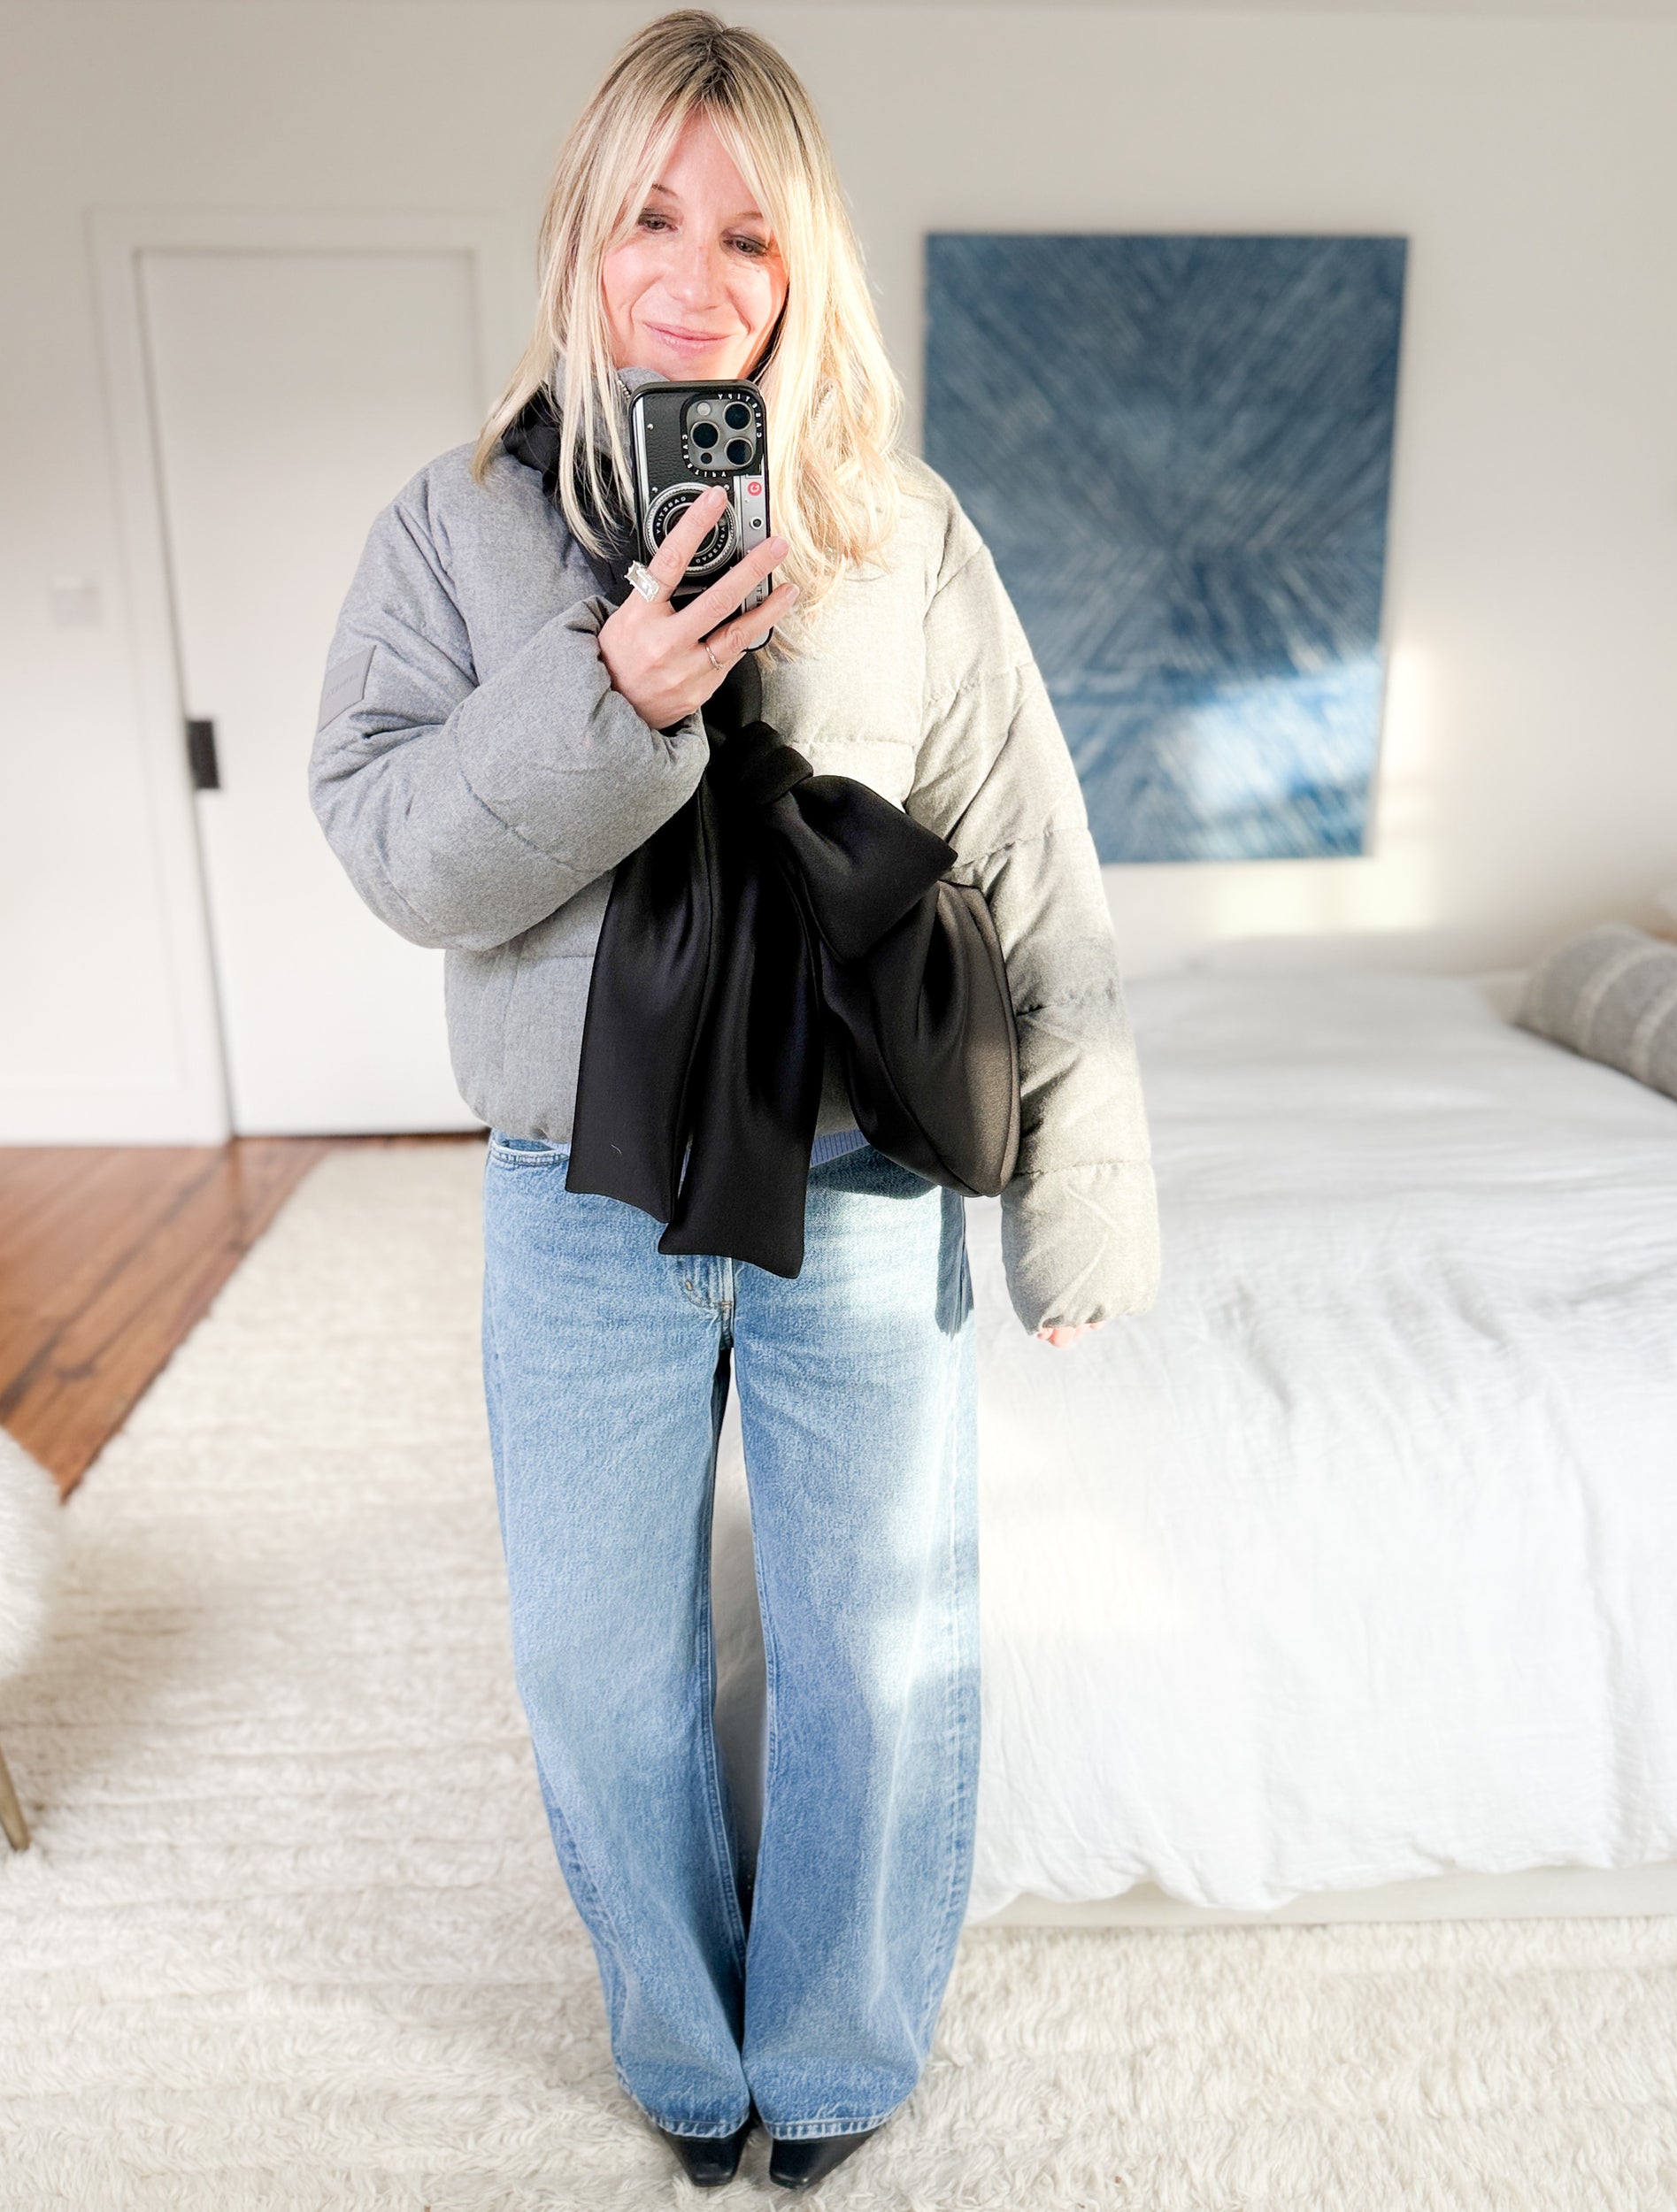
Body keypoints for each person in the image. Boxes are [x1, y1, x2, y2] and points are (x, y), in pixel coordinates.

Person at [310, 8, 1158, 2192]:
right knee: (601, 1676)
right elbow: (400, 853)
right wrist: (606, 700)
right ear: (585, 236)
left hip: (860, 1177)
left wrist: (1082, 1194)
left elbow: (1029, 859)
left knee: (882, 1657)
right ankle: (689, 2064)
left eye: (750, 235)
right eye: (650, 219)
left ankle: (844, 2053)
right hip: (570, 1194)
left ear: (809, 270)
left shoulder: (896, 530)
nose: (694, 277)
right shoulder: (455, 524)